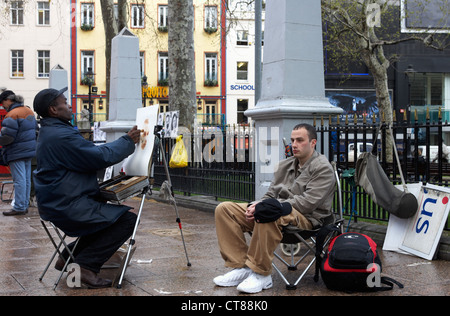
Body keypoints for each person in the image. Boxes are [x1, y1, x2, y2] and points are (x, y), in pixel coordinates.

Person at [33, 87, 141, 289]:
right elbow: (99, 157)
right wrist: (127, 141)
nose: (69, 105)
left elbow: (86, 156)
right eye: (64, 102)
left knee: (107, 218)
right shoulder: (60, 135)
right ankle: (86, 266)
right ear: (53, 110)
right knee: (127, 220)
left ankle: (66, 257)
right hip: (66, 204)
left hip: (58, 201)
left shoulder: (54, 130)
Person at [213, 123, 336, 294]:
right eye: (293, 140)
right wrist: (257, 205)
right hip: (279, 212)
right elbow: (270, 194)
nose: (294, 144)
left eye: (300, 140)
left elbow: (308, 203)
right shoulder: (284, 166)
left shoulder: (322, 168)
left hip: (308, 219)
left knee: (268, 212)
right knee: (225, 209)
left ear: (313, 142)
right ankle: (241, 267)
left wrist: (270, 206)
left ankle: (261, 274)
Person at [0, 90, 38, 216]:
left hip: (16, 151)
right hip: (29, 150)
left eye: (2, 103)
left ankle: (19, 206)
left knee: (19, 180)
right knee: (26, 179)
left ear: (7, 100)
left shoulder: (12, 114)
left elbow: (7, 137)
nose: (3, 106)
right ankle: (24, 204)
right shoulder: (28, 111)